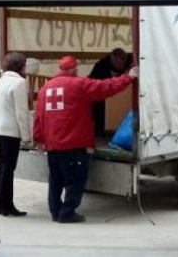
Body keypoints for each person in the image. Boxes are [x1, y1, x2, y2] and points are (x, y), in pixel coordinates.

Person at [33, 55, 138, 223]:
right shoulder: (79, 84)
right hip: (73, 144)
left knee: (55, 180)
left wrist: (38, 138)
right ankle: (67, 213)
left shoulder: (46, 88)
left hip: (52, 145)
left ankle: (55, 211)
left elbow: (38, 117)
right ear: (74, 69)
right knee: (76, 180)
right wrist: (129, 77)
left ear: (59, 69)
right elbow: (106, 87)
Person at [0, 52, 31, 217]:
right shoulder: (19, 83)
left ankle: (0, 204)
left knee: (1, 167)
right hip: (9, 131)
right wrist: (27, 137)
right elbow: (21, 113)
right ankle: (8, 206)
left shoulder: (1, 81)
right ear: (20, 67)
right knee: (8, 169)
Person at [88, 48, 132, 136]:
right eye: (119, 63)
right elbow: (93, 84)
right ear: (113, 58)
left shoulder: (130, 60)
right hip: (104, 98)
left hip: (124, 96)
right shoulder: (101, 66)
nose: (121, 65)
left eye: (123, 62)